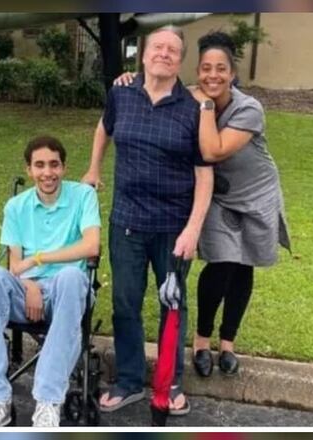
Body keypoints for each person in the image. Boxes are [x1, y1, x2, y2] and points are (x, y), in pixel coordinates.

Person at [114, 31, 291, 377]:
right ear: (197, 70)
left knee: (244, 266)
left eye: (221, 69)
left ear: (233, 74)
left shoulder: (248, 108)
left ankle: (228, 343)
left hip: (256, 193)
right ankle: (201, 341)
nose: (213, 75)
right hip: (218, 194)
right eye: (206, 68)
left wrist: (206, 106)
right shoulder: (191, 97)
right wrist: (130, 77)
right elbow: (155, 82)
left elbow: (213, 150)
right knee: (222, 262)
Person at [82, 25, 213, 416]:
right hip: (127, 222)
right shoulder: (121, 92)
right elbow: (104, 128)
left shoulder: (193, 108)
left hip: (173, 228)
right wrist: (94, 168)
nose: (164, 53)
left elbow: (204, 174)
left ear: (180, 60)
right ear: (143, 53)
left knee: (172, 305)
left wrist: (193, 229)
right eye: (158, 46)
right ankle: (128, 380)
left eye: (173, 50)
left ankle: (170, 383)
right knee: (125, 303)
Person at [0, 135, 101, 427]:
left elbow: (91, 246)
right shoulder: (16, 206)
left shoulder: (83, 196)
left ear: (64, 167)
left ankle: (48, 401)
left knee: (70, 276)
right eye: (39, 165)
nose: (47, 172)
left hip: (67, 292)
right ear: (29, 170)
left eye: (54, 164)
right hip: (26, 290)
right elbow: (15, 266)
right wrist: (30, 285)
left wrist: (39, 259)